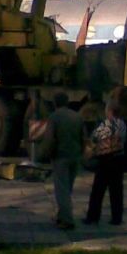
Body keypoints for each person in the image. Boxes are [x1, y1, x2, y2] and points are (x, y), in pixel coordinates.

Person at [84, 99, 127, 226]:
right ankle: (117, 217)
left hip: (106, 159)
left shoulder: (108, 124)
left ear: (109, 111)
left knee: (98, 190)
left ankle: (93, 216)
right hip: (119, 158)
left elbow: (95, 137)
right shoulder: (122, 124)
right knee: (116, 190)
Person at [46, 92, 85, 230]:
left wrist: (49, 154)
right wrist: (82, 153)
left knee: (61, 190)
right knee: (68, 188)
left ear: (55, 103)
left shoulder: (54, 117)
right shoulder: (77, 116)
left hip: (60, 156)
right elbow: (83, 137)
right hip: (75, 156)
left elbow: (50, 139)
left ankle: (67, 220)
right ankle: (61, 216)